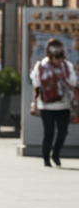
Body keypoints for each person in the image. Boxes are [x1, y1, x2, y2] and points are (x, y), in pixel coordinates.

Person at [30, 38, 77, 167]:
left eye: (59, 55)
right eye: (55, 55)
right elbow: (36, 84)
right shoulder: (41, 66)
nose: (57, 58)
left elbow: (73, 82)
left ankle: (55, 154)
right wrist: (35, 101)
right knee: (49, 132)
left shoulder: (66, 66)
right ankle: (46, 158)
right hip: (46, 105)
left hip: (63, 104)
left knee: (63, 132)